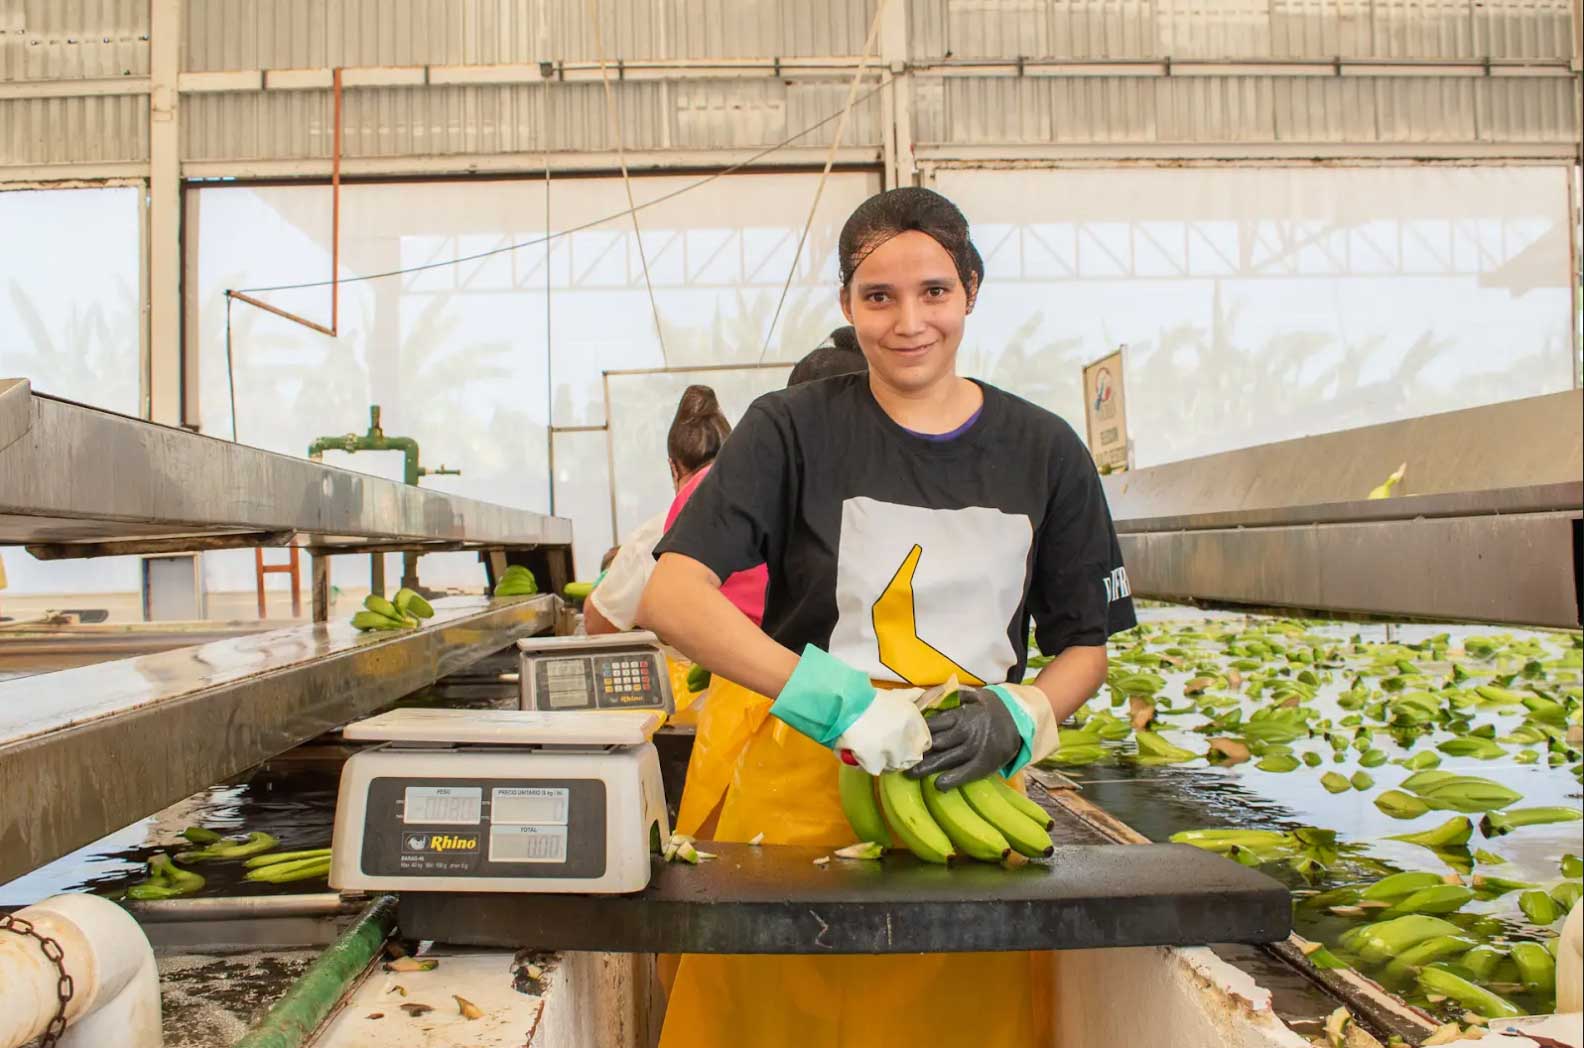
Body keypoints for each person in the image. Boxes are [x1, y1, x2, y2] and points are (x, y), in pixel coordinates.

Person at [639, 186, 1137, 1046]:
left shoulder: (1046, 449)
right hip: (797, 801)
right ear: (847, 304)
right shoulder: (790, 429)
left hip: (961, 799)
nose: (909, 321)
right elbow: (673, 595)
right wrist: (833, 700)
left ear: (970, 292)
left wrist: (1023, 712)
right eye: (879, 296)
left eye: (934, 292)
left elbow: (1083, 646)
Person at [584, 386, 767, 636]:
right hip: (785, 663)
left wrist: (604, 582)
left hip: (708, 668)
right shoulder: (767, 511)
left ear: (673, 467)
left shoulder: (660, 532)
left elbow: (599, 623)